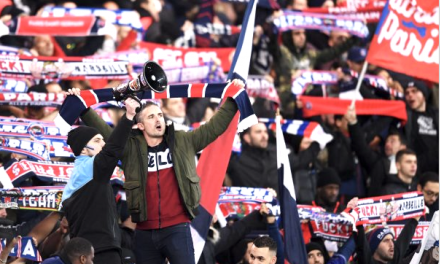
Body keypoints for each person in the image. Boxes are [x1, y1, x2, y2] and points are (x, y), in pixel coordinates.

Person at [78, 80, 243, 264]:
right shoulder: (129, 148)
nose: (158, 120)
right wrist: (82, 107)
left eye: (160, 115)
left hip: (177, 229)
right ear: (140, 125)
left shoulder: (184, 141)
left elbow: (215, 126)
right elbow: (106, 133)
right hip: (144, 233)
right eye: (151, 117)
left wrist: (233, 97)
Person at [61, 95, 139, 264]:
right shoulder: (89, 168)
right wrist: (128, 117)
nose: (103, 144)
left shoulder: (79, 174)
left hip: (88, 252)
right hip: (100, 252)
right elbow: (113, 150)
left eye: (103, 140)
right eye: (97, 141)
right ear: (82, 149)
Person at [227, 123, 279, 192]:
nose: (264, 136)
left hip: (275, 201)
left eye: (265, 132)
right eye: (258, 132)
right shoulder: (236, 159)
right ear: (247, 138)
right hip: (245, 201)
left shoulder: (275, 154)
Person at [403, 80, 439, 174]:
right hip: (418, 169)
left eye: (414, 91)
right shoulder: (406, 116)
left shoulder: (436, 114)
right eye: (407, 93)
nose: (410, 95)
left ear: (424, 95)